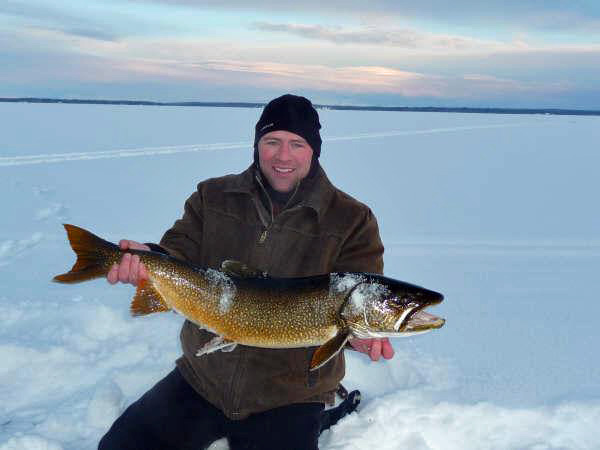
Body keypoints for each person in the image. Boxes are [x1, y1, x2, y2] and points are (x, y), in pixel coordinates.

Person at [98, 94, 394, 450]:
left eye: (296, 144)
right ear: (257, 145)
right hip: (203, 377)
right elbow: (178, 250)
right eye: (272, 142)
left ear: (314, 149)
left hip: (289, 392)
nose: (283, 156)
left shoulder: (351, 220)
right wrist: (151, 259)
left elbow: (360, 292)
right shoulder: (213, 196)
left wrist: (355, 334)